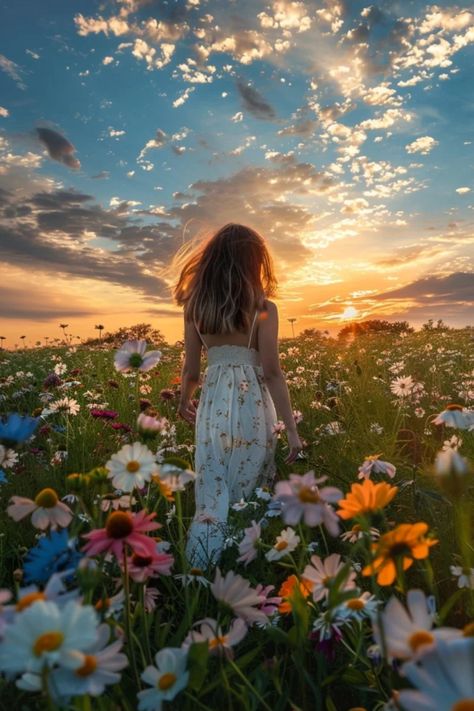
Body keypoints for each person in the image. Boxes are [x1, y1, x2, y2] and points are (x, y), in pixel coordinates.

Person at [171, 223, 303, 569]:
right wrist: (290, 429)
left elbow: (191, 371)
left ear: (212, 260)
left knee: (214, 487)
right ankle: (247, 563)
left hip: (212, 404)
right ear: (253, 263)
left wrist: (184, 402)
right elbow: (272, 372)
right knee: (250, 483)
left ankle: (201, 564)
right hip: (253, 404)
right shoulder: (263, 308)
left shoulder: (195, 308)